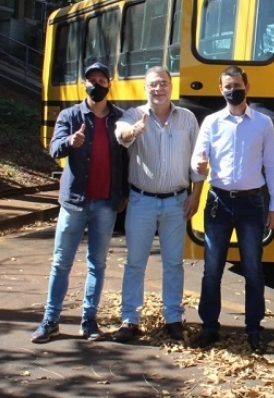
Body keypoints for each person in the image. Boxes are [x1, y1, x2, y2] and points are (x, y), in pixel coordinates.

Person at [32, 62, 129, 343]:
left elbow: (125, 160)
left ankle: (89, 321)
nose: (96, 85)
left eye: (101, 80)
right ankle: (50, 321)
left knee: (97, 264)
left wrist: (122, 193)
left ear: (110, 84)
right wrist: (69, 143)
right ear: (83, 84)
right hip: (74, 201)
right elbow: (53, 147)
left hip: (105, 204)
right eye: (91, 80)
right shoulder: (70, 115)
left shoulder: (118, 119)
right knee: (61, 263)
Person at [191, 65, 274, 353]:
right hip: (218, 201)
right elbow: (198, 159)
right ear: (220, 89)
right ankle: (209, 327)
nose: (233, 90)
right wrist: (198, 166)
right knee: (212, 269)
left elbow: (272, 166)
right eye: (228, 86)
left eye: (237, 85)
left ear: (248, 86)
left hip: (252, 204)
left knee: (253, 270)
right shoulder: (211, 122)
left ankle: (254, 329)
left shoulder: (263, 123)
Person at [112, 66, 204, 343]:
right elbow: (121, 134)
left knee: (173, 264)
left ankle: (173, 318)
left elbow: (198, 162)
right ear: (145, 88)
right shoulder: (133, 116)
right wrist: (133, 132)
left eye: (163, 84)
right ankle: (130, 319)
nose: (158, 89)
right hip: (141, 201)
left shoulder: (187, 119)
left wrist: (196, 194)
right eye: (153, 84)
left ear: (171, 87)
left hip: (177, 202)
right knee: (135, 263)